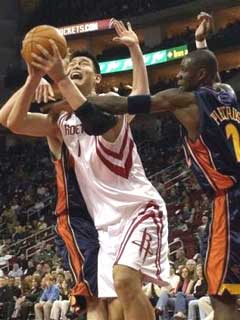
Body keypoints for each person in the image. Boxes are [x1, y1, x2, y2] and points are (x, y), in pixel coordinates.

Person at [5, 20, 170, 320]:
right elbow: (13, 122)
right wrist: (33, 78)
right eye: (74, 61)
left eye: (85, 63)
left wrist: (134, 50)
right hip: (103, 223)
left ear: (98, 78)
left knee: (123, 282)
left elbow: (140, 93)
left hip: (138, 208)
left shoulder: (112, 107)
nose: (78, 64)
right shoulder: (61, 121)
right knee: (114, 299)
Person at [81, 12, 240, 320]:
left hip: (229, 202)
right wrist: (199, 41)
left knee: (221, 296)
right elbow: (214, 75)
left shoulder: (184, 100)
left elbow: (125, 105)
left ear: (200, 75)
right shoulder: (228, 94)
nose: (178, 75)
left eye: (184, 70)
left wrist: (80, 100)